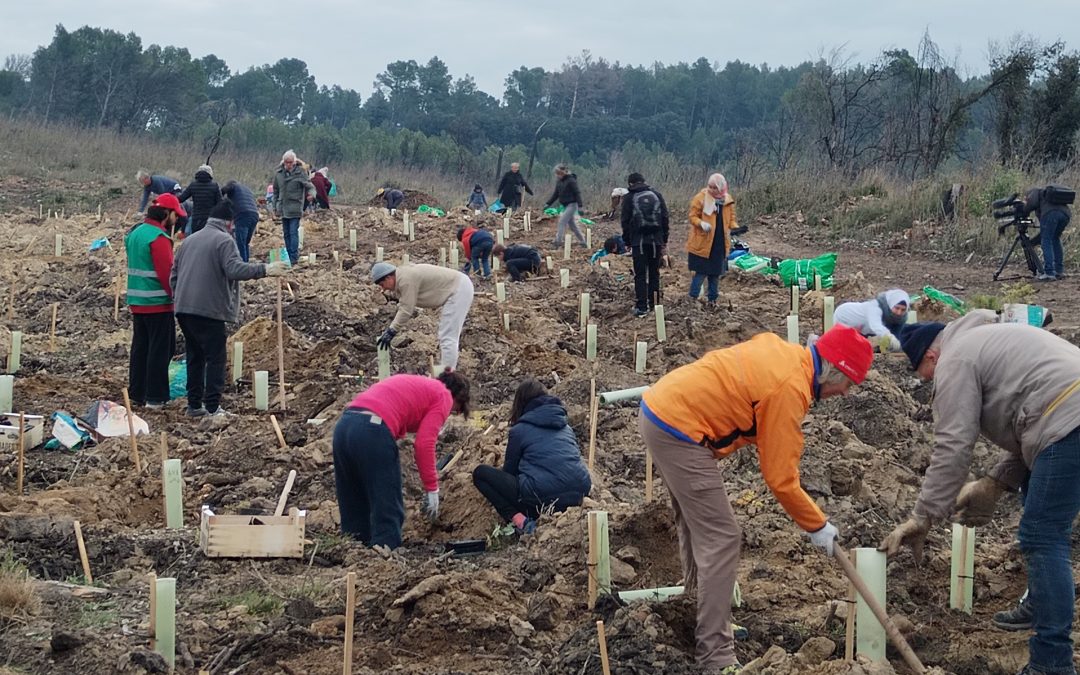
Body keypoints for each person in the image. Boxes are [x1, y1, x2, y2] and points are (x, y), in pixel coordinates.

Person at [639, 324, 873, 673]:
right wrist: (817, 525)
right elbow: (780, 477)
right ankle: (715, 655)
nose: (846, 393)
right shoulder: (789, 387)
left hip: (664, 411)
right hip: (678, 429)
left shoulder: (790, 357)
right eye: (848, 384)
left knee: (698, 523)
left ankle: (701, 613)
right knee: (722, 536)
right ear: (832, 371)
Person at [881, 312, 1080, 675]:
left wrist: (923, 516)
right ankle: (1041, 600)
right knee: (1035, 501)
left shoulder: (955, 359)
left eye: (925, 376)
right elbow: (1033, 418)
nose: (930, 384)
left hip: (1068, 417)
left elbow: (953, 445)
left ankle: (1052, 662)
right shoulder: (985, 340)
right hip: (1064, 412)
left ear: (931, 357)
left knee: (1042, 535)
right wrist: (994, 482)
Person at [171, 200, 290, 417]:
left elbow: (174, 275)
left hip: (184, 309)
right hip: (209, 310)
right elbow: (234, 269)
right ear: (229, 222)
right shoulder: (224, 241)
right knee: (215, 358)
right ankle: (213, 407)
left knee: (195, 356)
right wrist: (265, 269)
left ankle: (194, 405)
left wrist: (180, 298)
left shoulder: (189, 240)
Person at [334, 370, 472, 549]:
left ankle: (354, 551)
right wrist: (432, 488)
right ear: (457, 398)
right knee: (387, 503)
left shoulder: (419, 386)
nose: (447, 415)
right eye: (455, 411)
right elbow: (424, 444)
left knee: (354, 499)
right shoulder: (443, 395)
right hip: (372, 429)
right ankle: (384, 555)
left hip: (344, 427)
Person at [472, 378, 592, 534]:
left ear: (520, 403)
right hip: (579, 495)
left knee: (480, 474)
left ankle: (521, 522)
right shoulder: (566, 427)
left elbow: (510, 472)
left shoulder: (519, 430)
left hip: (542, 499)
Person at [124, 194, 183, 409]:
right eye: (176, 214)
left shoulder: (135, 233)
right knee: (160, 350)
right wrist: (177, 299)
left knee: (140, 348)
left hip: (137, 301)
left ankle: (137, 393)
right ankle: (155, 397)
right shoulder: (158, 238)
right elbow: (168, 274)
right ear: (166, 214)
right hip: (158, 303)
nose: (177, 219)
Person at [372, 262, 474, 371]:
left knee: (448, 337)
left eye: (382, 284)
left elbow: (406, 309)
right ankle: (445, 371)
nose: (383, 289)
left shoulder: (405, 280)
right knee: (445, 336)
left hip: (458, 290)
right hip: (458, 287)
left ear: (389, 277)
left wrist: (391, 331)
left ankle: (447, 377)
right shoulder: (403, 275)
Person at [621, 172, 670, 318]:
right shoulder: (656, 195)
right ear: (644, 181)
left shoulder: (629, 198)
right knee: (654, 273)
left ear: (630, 184)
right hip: (656, 241)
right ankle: (655, 305)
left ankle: (642, 307)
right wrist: (664, 240)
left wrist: (627, 242)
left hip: (639, 242)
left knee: (640, 275)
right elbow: (665, 218)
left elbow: (625, 222)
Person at [688, 173, 738, 308]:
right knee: (700, 273)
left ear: (721, 188)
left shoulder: (727, 200)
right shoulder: (700, 198)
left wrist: (735, 228)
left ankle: (712, 301)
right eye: (709, 187)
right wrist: (701, 223)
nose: (711, 190)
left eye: (714, 188)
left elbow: (731, 218)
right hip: (702, 243)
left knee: (715, 274)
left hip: (719, 243)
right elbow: (692, 216)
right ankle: (691, 300)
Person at [273, 150, 315, 265]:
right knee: (286, 233)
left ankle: (293, 257)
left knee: (293, 232)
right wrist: (275, 207)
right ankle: (288, 255)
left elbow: (310, 186)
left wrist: (312, 195)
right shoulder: (279, 174)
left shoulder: (300, 173)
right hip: (282, 207)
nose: (288, 165)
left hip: (295, 207)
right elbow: (275, 191)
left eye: (290, 162)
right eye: (286, 162)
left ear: (294, 162)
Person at [833, 289, 910, 351]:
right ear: (891, 304)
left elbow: (897, 334)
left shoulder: (901, 317)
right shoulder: (875, 307)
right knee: (848, 348)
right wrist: (890, 337)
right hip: (845, 318)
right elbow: (876, 326)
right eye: (897, 308)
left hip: (864, 328)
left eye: (903, 310)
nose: (899, 312)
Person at [1023, 185, 1072, 281]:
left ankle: (1049, 273)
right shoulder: (1047, 195)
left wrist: (1023, 208)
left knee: (1046, 240)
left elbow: (1030, 204)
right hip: (1066, 214)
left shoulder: (1034, 192)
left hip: (1051, 214)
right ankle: (1059, 271)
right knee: (1055, 238)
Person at [544, 164, 586, 249]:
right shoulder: (559, 182)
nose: (558, 175)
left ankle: (557, 242)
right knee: (572, 225)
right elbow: (556, 194)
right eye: (557, 173)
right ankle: (583, 241)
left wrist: (580, 206)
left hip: (572, 204)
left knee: (562, 221)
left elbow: (577, 193)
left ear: (563, 172)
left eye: (559, 173)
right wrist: (548, 204)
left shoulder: (571, 180)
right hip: (565, 205)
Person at [220, 180, 260, 263]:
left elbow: (225, 189)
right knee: (245, 243)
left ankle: (243, 266)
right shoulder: (247, 189)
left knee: (241, 243)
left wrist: (221, 194)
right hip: (254, 214)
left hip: (243, 214)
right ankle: (246, 263)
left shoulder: (233, 186)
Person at [176, 164, 222, 235]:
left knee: (197, 239)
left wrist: (171, 197)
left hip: (196, 218)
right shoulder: (214, 186)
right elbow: (220, 203)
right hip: (210, 219)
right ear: (210, 174)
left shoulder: (193, 185)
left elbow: (181, 199)